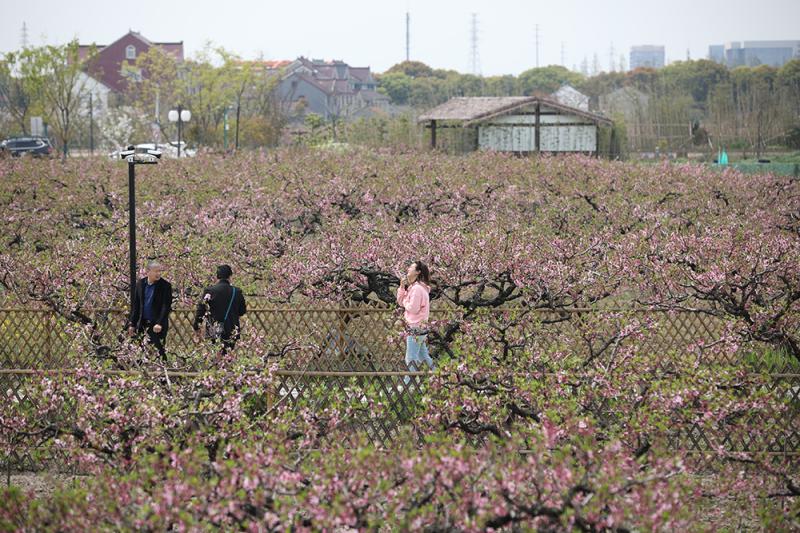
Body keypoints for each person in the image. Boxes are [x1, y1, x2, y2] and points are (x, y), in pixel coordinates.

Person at [193, 264, 247, 354]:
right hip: (231, 329)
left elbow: (201, 310)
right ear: (230, 276)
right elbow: (242, 311)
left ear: (217, 276)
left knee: (215, 356)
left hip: (214, 328)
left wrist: (196, 326)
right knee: (228, 356)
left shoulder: (210, 291)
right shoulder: (236, 292)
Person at [128, 261, 173, 360]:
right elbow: (136, 305)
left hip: (156, 324)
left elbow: (166, 306)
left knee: (158, 351)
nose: (158, 274)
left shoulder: (165, 286)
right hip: (142, 323)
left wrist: (159, 323)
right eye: (156, 271)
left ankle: (163, 370)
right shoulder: (141, 284)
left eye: (159, 271)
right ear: (148, 271)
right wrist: (132, 324)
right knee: (139, 351)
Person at [396, 260, 434, 378]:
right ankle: (440, 378)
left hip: (416, 328)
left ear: (417, 272)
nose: (408, 269)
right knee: (424, 356)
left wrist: (406, 301)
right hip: (417, 327)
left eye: (411, 268)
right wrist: (402, 287)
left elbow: (413, 308)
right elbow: (400, 302)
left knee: (411, 358)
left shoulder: (417, 289)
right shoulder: (413, 287)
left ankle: (409, 386)